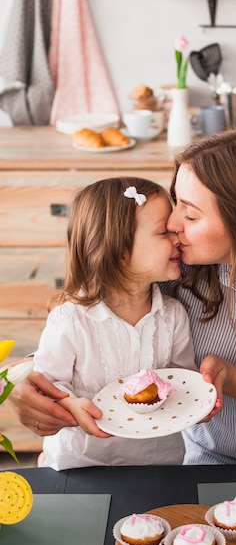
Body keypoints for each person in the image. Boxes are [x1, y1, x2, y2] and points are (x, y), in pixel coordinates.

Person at [9, 128, 236, 465]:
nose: (172, 225)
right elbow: (106, 319)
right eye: (177, 205)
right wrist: (21, 381)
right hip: (205, 461)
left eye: (190, 214)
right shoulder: (178, 261)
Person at [29, 176, 195, 470]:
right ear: (119, 252)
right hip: (81, 463)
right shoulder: (71, 319)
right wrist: (70, 406)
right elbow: (48, 384)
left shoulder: (173, 315)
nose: (177, 239)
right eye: (162, 233)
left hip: (162, 462)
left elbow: (183, 380)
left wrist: (198, 402)